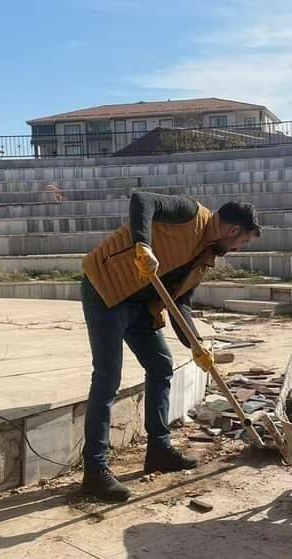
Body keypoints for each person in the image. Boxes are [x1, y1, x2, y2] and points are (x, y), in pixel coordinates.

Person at [79, 191, 260, 502]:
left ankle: (159, 449)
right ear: (232, 231)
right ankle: (94, 471)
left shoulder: (205, 257)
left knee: (161, 366)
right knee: (108, 377)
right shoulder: (189, 213)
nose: (237, 248)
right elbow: (142, 201)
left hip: (141, 306)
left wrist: (196, 344)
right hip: (106, 288)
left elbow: (180, 304)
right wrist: (142, 246)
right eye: (241, 242)